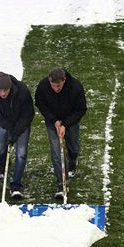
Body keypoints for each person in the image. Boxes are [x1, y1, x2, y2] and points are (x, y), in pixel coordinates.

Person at [34, 68, 87, 199]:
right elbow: (40, 103)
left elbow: (81, 109)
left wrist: (65, 124)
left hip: (71, 121)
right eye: (53, 85)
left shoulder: (75, 87)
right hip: (53, 123)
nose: (55, 88)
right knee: (56, 152)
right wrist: (54, 120)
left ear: (64, 80)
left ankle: (73, 160)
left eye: (58, 86)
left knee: (73, 147)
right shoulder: (43, 86)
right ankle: (62, 184)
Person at [0, 71, 34, 198]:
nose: (2, 93)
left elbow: (28, 114)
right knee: (1, 148)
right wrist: (9, 129)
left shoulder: (22, 91)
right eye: (0, 90)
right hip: (4, 123)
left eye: (5, 90)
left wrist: (16, 132)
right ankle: (3, 167)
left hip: (21, 123)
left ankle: (16, 186)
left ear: (10, 87)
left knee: (21, 153)